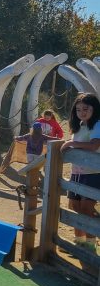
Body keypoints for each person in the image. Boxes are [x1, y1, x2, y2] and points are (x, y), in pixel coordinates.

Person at [60, 93, 100, 251]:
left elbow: (94, 145)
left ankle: (90, 244)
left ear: (94, 108)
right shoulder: (79, 126)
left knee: (86, 209)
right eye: (78, 109)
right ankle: (79, 242)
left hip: (92, 173)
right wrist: (71, 143)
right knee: (74, 206)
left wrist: (71, 143)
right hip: (76, 173)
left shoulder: (97, 124)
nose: (81, 112)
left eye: (86, 108)